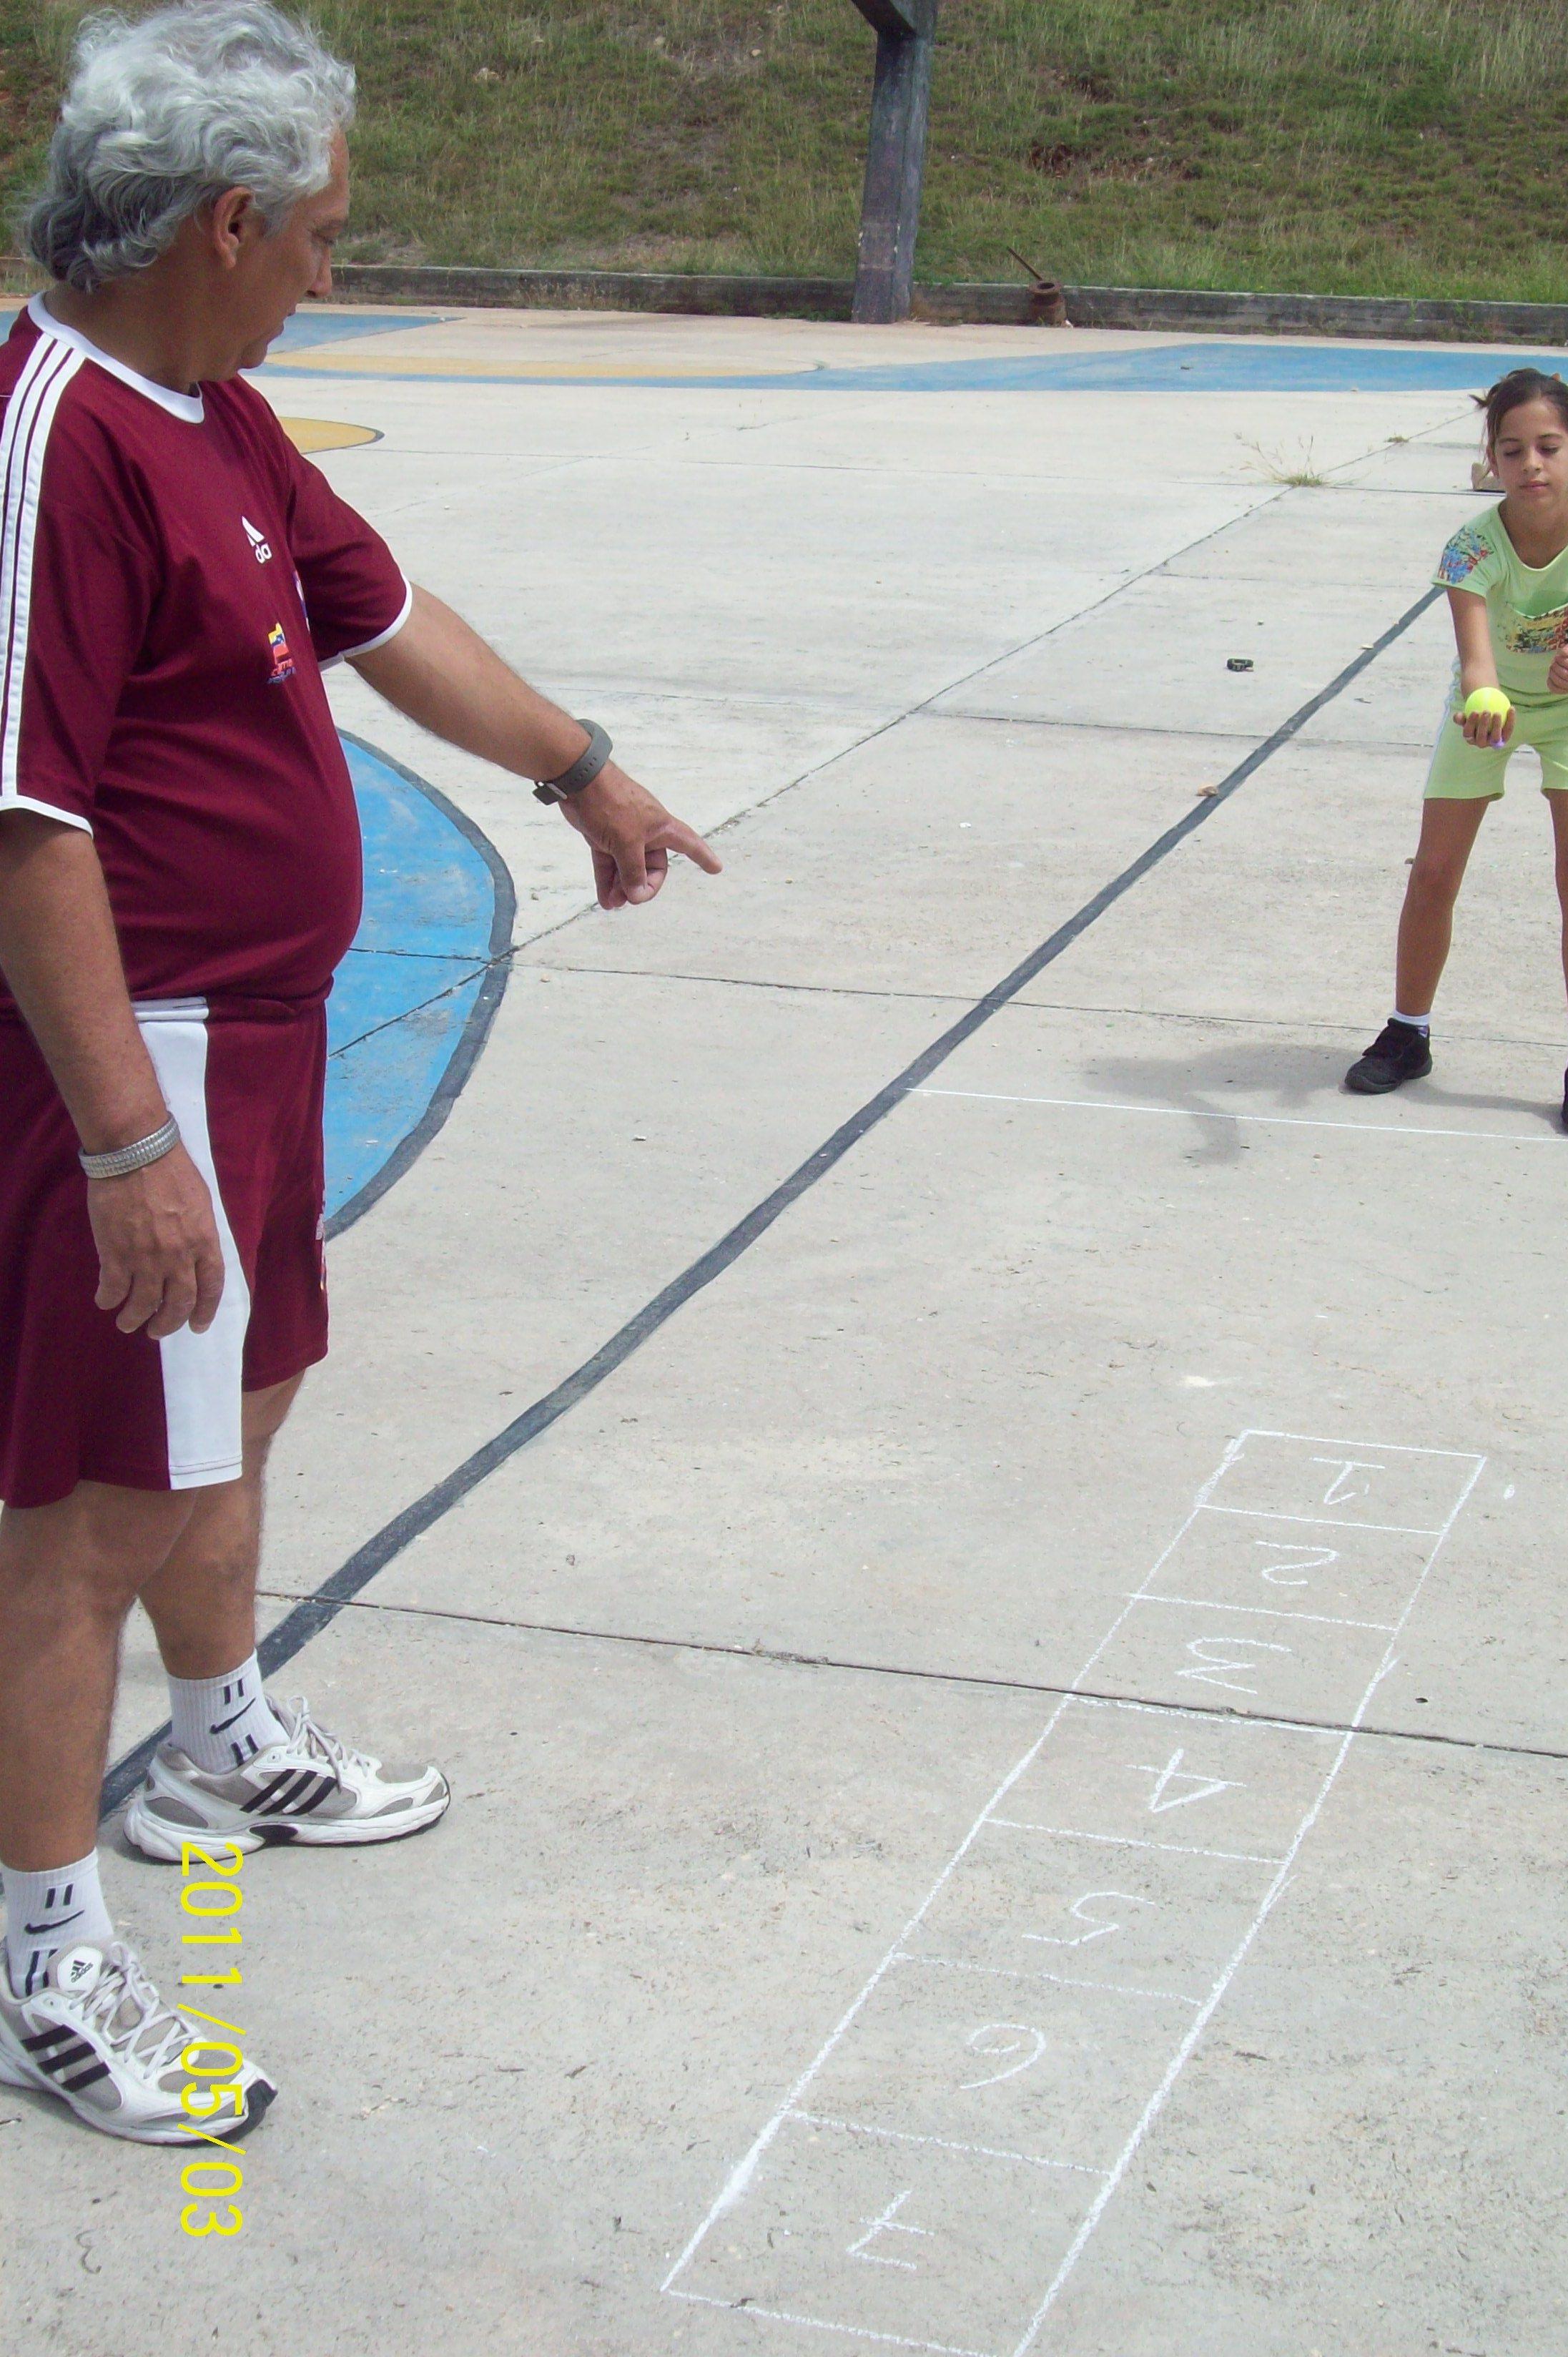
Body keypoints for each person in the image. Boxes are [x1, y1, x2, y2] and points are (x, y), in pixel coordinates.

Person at [0, 1, 719, 2147]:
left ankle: (214, 1737)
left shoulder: (212, 408)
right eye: (322, 227)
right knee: (88, 1513)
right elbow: (24, 827)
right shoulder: (61, 439)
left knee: (246, 1414)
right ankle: (40, 1945)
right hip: (148, 1065)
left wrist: (578, 768)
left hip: (266, 1045)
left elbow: (383, 615)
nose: (336, 262)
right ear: (223, 220)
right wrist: (129, 1138)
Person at [1344, 368, 1568, 1136]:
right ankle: (1407, 1030)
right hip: (1488, 710)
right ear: (1493, 460)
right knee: (1435, 869)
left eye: (1549, 447)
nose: (1532, 466)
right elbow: (1476, 659)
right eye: (1512, 451)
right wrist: (1485, 703)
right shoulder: (1470, 548)